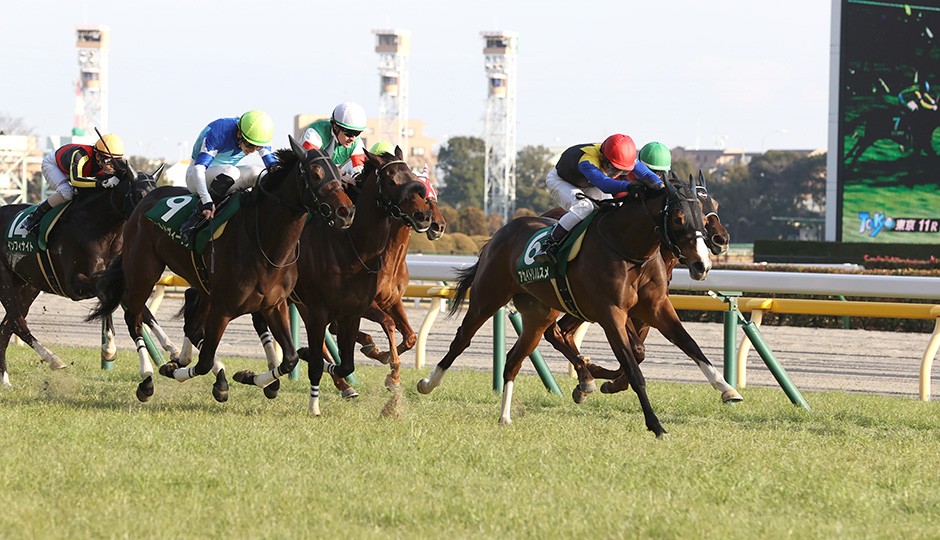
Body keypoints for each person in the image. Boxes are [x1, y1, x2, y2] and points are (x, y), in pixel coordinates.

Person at [533, 134, 664, 265]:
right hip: (561, 181)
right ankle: (549, 244)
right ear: (602, 157)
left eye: (622, 171)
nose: (616, 174)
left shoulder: (624, 157)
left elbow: (647, 174)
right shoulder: (587, 161)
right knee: (585, 207)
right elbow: (604, 184)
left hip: (588, 183)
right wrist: (630, 186)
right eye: (613, 168)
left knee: (615, 207)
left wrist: (662, 188)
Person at [180, 110, 277, 244]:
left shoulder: (259, 136)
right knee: (232, 171)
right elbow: (199, 169)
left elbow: (273, 167)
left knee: (259, 173)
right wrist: (206, 200)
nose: (253, 150)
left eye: (257, 147)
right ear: (239, 134)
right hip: (196, 177)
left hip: (225, 177)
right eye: (250, 145)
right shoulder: (219, 131)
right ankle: (195, 217)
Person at [22, 133, 126, 234]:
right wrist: (103, 183)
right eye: (108, 162)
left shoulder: (104, 160)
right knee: (67, 192)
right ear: (98, 156)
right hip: (54, 166)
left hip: (74, 171)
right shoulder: (80, 155)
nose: (112, 166)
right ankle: (34, 216)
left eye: (116, 162)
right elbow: (76, 181)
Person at [300, 101, 368, 182]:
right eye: (349, 133)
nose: (353, 138)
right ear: (335, 127)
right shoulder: (315, 133)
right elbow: (314, 168)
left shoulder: (357, 143)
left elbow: (360, 172)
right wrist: (339, 177)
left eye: (357, 133)